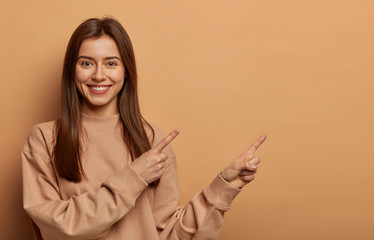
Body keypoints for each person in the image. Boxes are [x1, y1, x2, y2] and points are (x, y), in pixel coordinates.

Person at [21, 17, 266, 240]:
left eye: (111, 63)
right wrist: (133, 178)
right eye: (86, 63)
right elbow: (58, 227)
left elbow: (169, 234)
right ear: (71, 71)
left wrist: (222, 188)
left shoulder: (151, 140)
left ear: (126, 71)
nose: (98, 75)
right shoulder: (44, 139)